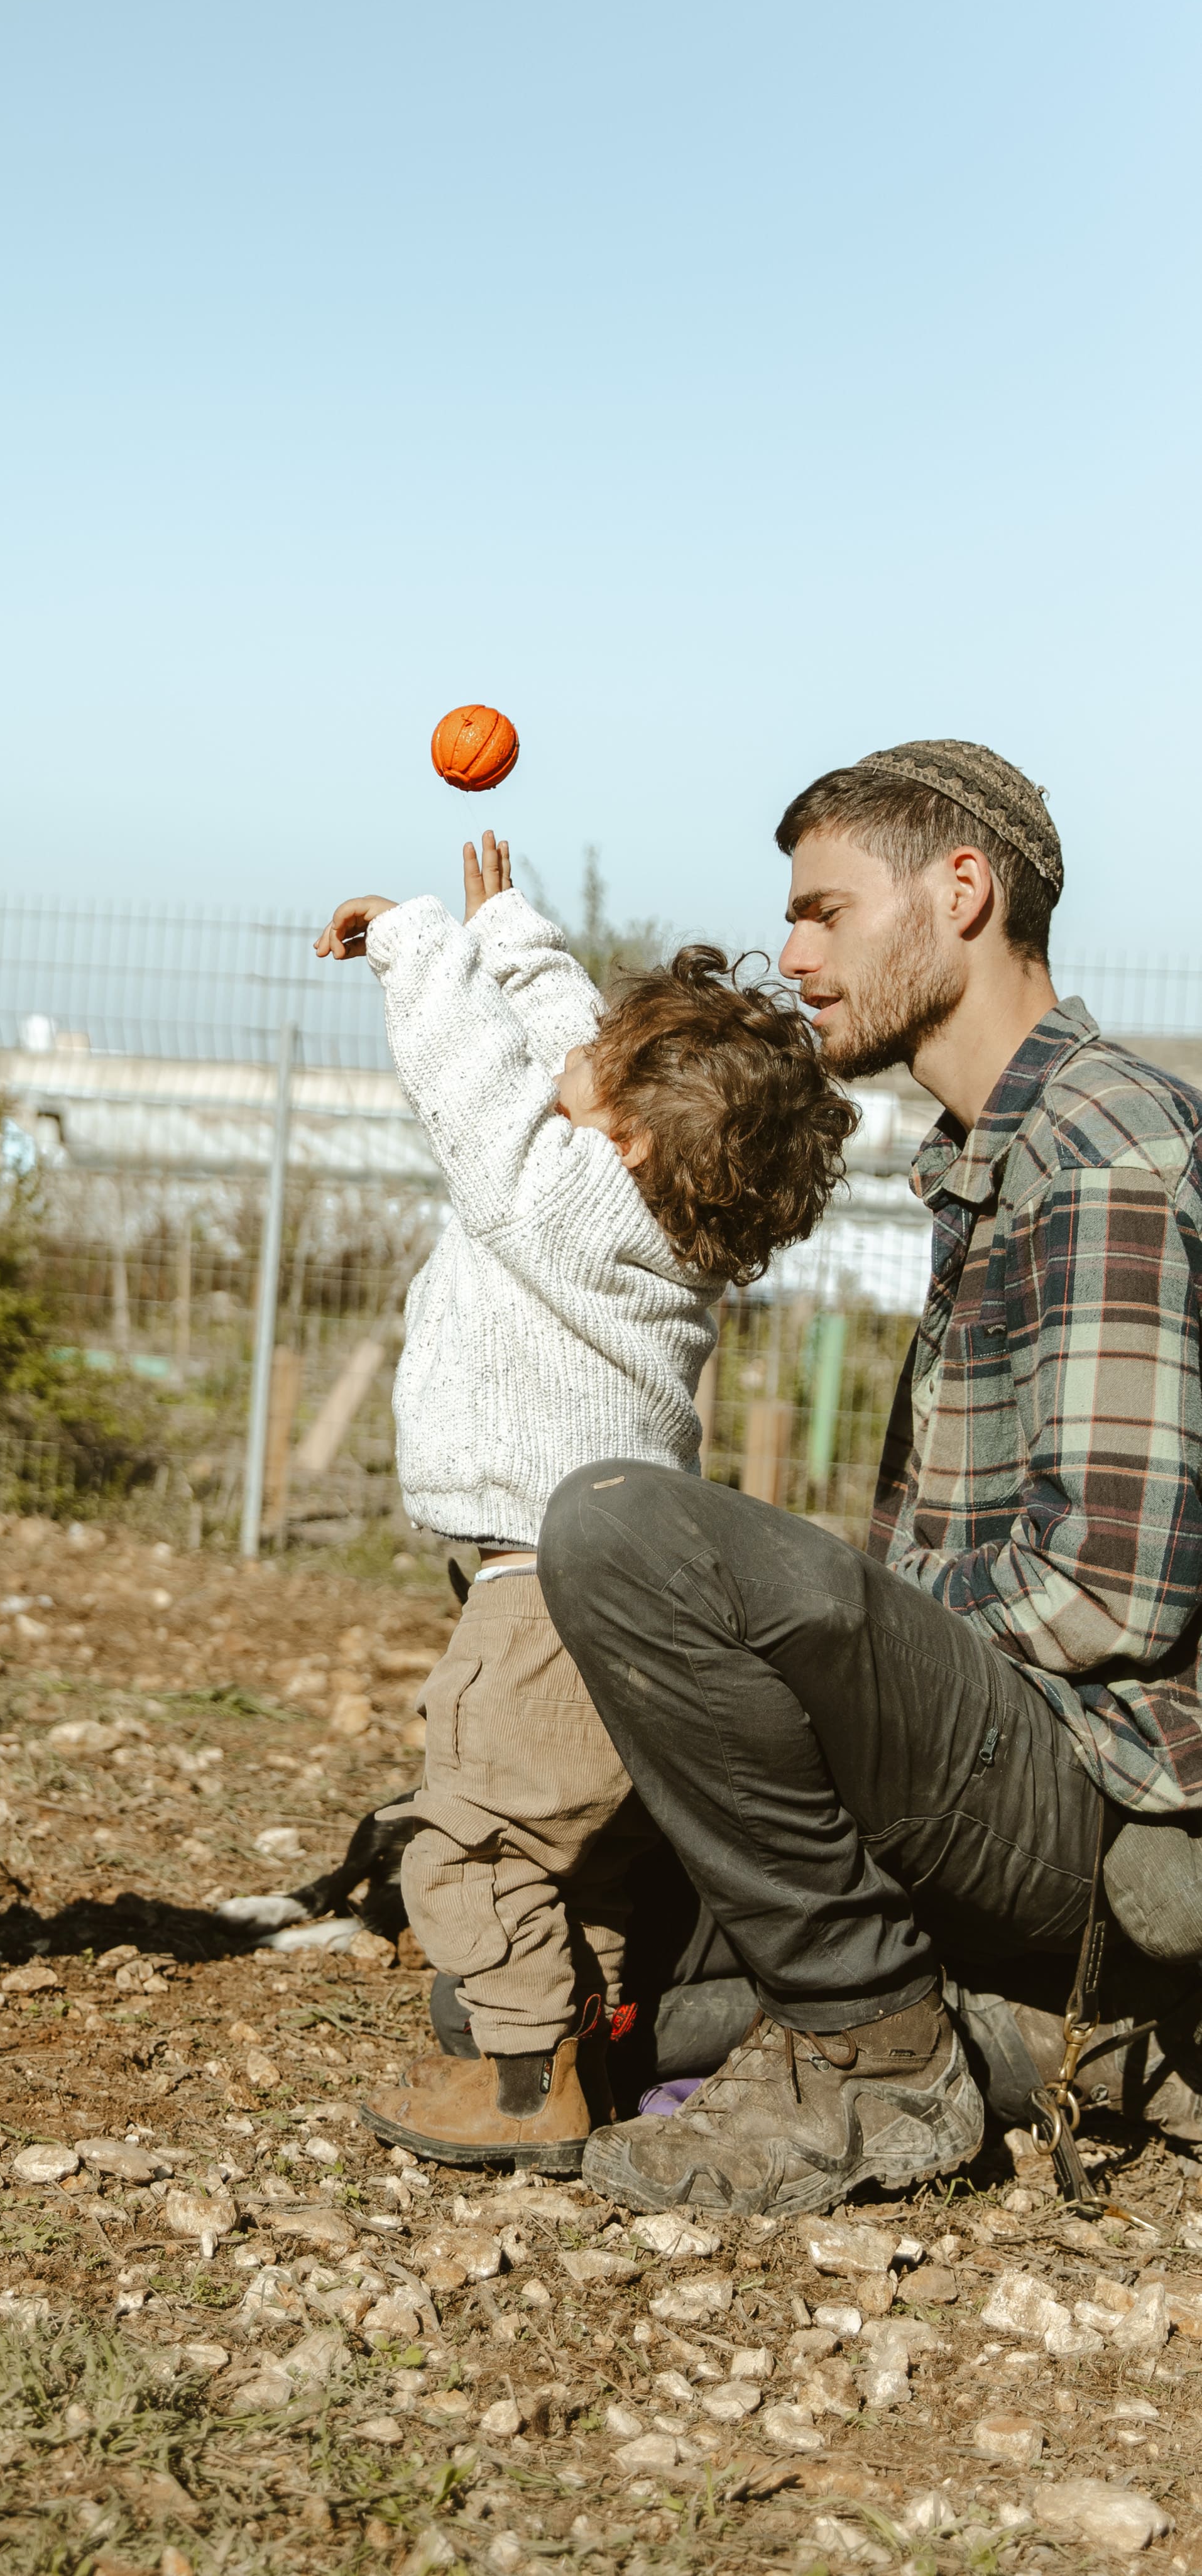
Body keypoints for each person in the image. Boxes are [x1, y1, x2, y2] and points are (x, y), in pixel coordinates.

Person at [540, 740, 1202, 2217]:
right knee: (668, 1991)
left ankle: (879, 2058)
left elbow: (1107, 1590)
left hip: (1079, 1774)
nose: (791, 953)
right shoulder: (994, 1151)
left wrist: (838, 1622)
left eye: (825, 909)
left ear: (960, 890)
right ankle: (1016, 2037)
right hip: (1008, 1755)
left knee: (622, 1529)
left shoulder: (1100, 1149)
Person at [313, 836, 856, 2162]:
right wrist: (518, 931)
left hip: (534, 1596)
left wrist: (419, 938)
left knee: (469, 1845)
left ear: (614, 1135)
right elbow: (583, 1060)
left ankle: (520, 2082)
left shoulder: (554, 1198)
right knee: (585, 1855)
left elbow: (474, 1081)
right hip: (624, 1598)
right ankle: (588, 2043)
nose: (580, 1060)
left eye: (601, 1072)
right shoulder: (651, 1217)